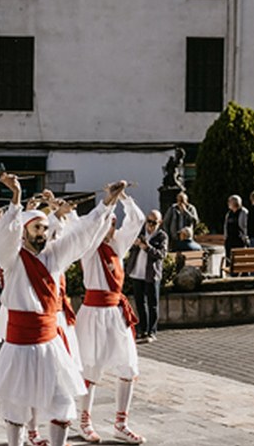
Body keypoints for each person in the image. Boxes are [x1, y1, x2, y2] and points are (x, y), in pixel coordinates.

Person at [0, 175, 120, 446]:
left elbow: (82, 236)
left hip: (50, 343)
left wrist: (107, 203)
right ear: (24, 231)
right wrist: (16, 198)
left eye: (45, 228)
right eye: (37, 228)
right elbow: (3, 239)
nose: (42, 233)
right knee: (16, 409)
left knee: (62, 404)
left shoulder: (53, 255)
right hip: (19, 345)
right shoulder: (12, 260)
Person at [76, 184, 146, 445]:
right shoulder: (89, 248)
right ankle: (85, 421)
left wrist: (124, 197)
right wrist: (108, 201)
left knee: (128, 367)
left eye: (113, 224)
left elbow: (137, 220)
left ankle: (121, 423)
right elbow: (89, 228)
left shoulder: (117, 246)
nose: (111, 229)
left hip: (116, 314)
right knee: (90, 369)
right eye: (107, 223)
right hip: (93, 313)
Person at [125, 210, 168, 344]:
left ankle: (152, 331)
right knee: (140, 303)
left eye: (153, 222)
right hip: (137, 272)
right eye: (148, 221)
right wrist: (134, 244)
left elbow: (162, 254)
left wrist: (147, 247)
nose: (150, 225)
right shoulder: (140, 233)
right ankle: (142, 330)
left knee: (152, 304)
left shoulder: (162, 236)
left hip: (151, 274)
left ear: (159, 223)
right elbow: (128, 247)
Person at [224, 195, 248, 265]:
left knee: (240, 259)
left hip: (239, 240)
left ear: (234, 203)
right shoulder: (229, 213)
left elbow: (245, 226)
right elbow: (225, 225)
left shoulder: (243, 212)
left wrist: (245, 237)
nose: (228, 203)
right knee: (229, 259)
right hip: (230, 240)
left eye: (229, 202)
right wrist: (226, 237)